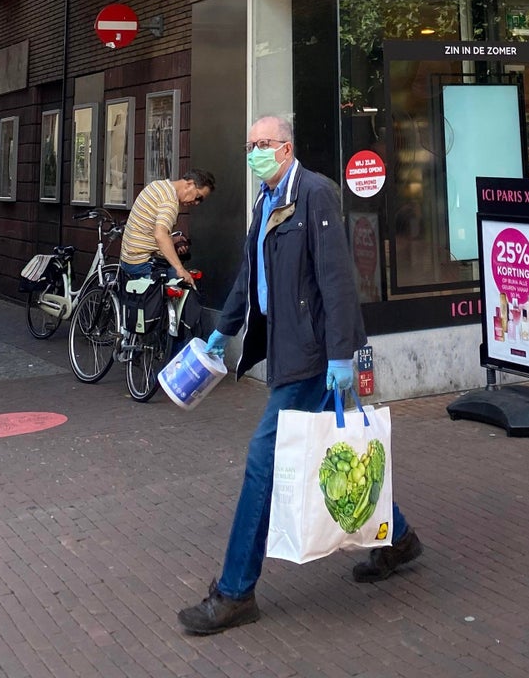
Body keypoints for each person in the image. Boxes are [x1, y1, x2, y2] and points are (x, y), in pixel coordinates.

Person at [178, 116, 422, 638]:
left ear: (286, 148)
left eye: (262, 144)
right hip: (285, 351)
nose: (253, 153)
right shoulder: (266, 200)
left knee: (262, 463)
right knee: (328, 451)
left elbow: (337, 280)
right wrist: (224, 330)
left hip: (313, 358)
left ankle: (235, 592)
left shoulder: (315, 194)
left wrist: (342, 356)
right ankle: (398, 538)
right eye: (249, 145)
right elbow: (250, 274)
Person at [119, 170, 215, 283]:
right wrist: (180, 269)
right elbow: (160, 235)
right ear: (189, 184)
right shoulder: (170, 202)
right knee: (181, 281)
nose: (197, 203)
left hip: (128, 258)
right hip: (141, 263)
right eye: (198, 197)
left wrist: (172, 239)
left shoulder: (158, 185)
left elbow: (148, 228)